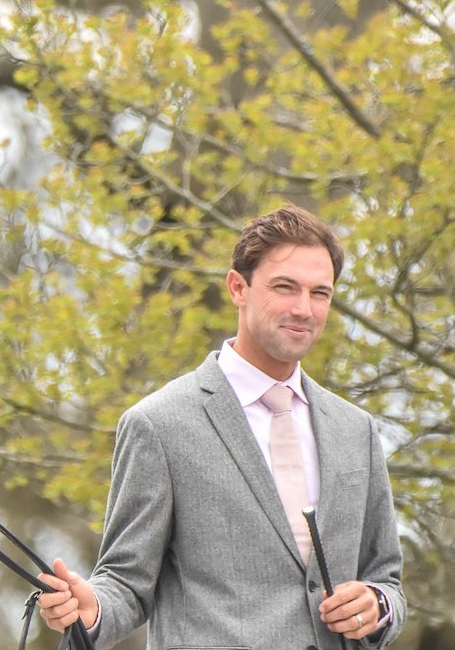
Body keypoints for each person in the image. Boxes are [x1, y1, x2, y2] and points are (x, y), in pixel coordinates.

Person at [38, 205, 405, 649]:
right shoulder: (158, 424)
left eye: (320, 293)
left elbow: (386, 578)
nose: (303, 309)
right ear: (238, 287)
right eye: (285, 287)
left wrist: (377, 605)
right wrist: (91, 610)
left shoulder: (357, 431)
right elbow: (127, 583)